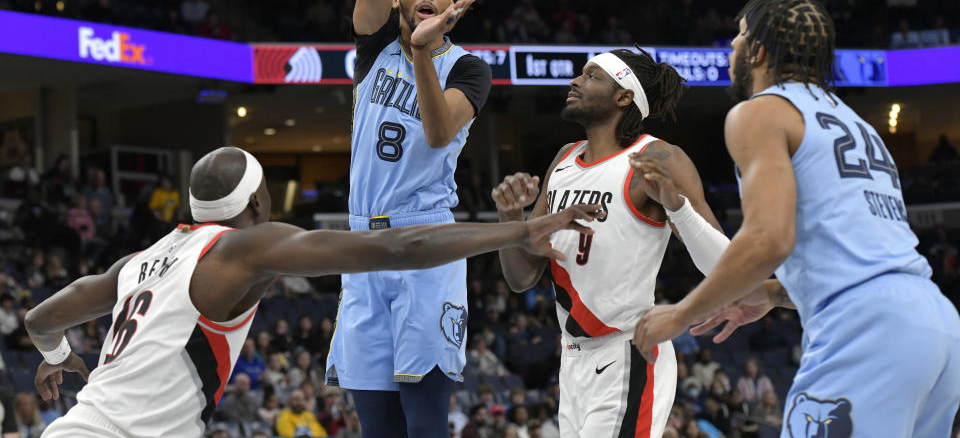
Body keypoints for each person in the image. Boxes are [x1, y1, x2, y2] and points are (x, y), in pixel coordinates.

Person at [24, 146, 601, 438]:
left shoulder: (134, 264)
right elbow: (399, 250)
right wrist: (522, 229)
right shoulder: (242, 249)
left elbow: (41, 319)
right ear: (257, 205)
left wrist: (56, 357)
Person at [633, 0, 960, 437]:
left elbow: (769, 239)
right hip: (936, 322)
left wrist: (681, 314)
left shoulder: (759, 113)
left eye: (740, 33)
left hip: (867, 329)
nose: (731, 45)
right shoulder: (857, 124)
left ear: (760, 51)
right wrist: (773, 293)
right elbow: (865, 260)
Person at [325, 0, 493, 438]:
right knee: (377, 426)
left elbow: (441, 132)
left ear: (452, 1)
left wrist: (423, 53)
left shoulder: (467, 68)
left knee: (424, 425)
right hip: (360, 245)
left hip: (424, 241)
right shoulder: (372, 47)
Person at [491, 48, 731, 437]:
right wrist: (510, 218)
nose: (574, 81)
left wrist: (677, 207)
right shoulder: (564, 159)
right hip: (571, 361)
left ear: (623, 96)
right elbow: (521, 279)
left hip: (628, 350)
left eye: (591, 76)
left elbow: (726, 266)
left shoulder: (656, 156)